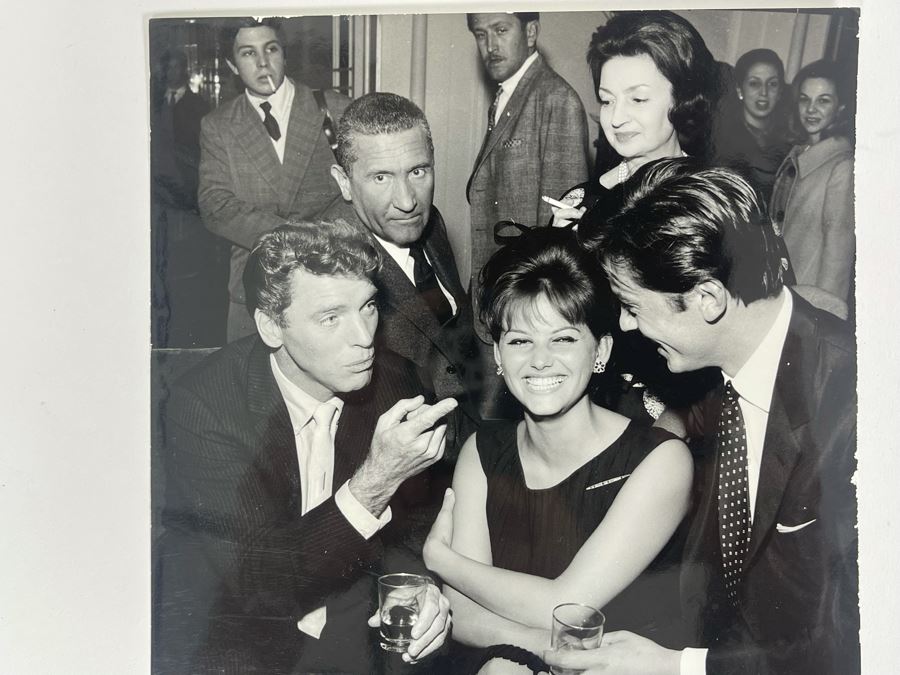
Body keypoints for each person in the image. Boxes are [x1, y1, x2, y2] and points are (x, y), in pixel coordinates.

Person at [545, 160, 858, 675]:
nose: (623, 324)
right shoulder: (706, 384)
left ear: (707, 299)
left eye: (630, 305)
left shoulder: (854, 406)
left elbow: (853, 644)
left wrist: (681, 668)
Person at [153, 220, 455, 674]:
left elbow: (416, 522)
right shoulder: (205, 405)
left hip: (353, 615)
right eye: (331, 317)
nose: (364, 336)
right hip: (241, 626)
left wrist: (412, 583)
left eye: (368, 307)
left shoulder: (397, 380)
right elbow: (256, 580)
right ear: (272, 327)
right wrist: (375, 481)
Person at [421, 226, 693, 672]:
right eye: (520, 341)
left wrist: (442, 560)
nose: (540, 359)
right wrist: (544, 652)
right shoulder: (482, 452)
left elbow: (566, 604)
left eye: (563, 339)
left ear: (601, 350)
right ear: (498, 358)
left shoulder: (659, 460)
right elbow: (465, 618)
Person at [322, 92, 482, 453]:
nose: (408, 201)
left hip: (466, 435)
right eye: (381, 177)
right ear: (344, 182)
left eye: (417, 171)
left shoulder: (430, 222)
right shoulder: (332, 267)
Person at [199, 18, 350, 341]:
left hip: (331, 280)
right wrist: (297, 237)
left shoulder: (331, 109)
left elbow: (362, 189)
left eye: (271, 49)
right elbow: (214, 205)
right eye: (248, 53)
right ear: (231, 64)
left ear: (285, 54)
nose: (263, 62)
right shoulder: (219, 126)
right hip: (254, 289)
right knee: (251, 386)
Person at [465, 12, 589, 313]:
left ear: (531, 32)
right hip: (494, 289)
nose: (490, 45)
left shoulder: (558, 99)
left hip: (525, 301)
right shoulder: (507, 94)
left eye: (501, 30)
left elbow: (561, 235)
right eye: (481, 35)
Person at [550, 10, 719, 230]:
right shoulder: (582, 200)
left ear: (683, 99)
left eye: (638, 99)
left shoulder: (712, 201)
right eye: (607, 101)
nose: (616, 119)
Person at [150, 48, 226, 347]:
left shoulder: (199, 106)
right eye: (166, 67)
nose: (172, 73)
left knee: (190, 263)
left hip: (188, 197)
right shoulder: (152, 103)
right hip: (158, 196)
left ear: (185, 70)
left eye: (177, 67)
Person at [770, 59, 855, 311]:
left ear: (840, 107)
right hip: (781, 292)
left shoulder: (843, 167)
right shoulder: (797, 154)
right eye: (805, 99)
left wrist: (826, 313)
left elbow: (838, 253)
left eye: (824, 100)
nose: (811, 109)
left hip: (809, 302)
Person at [712, 48, 793, 206]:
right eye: (754, 83)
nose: (764, 92)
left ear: (781, 91)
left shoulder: (790, 141)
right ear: (739, 90)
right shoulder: (719, 137)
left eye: (772, 84)